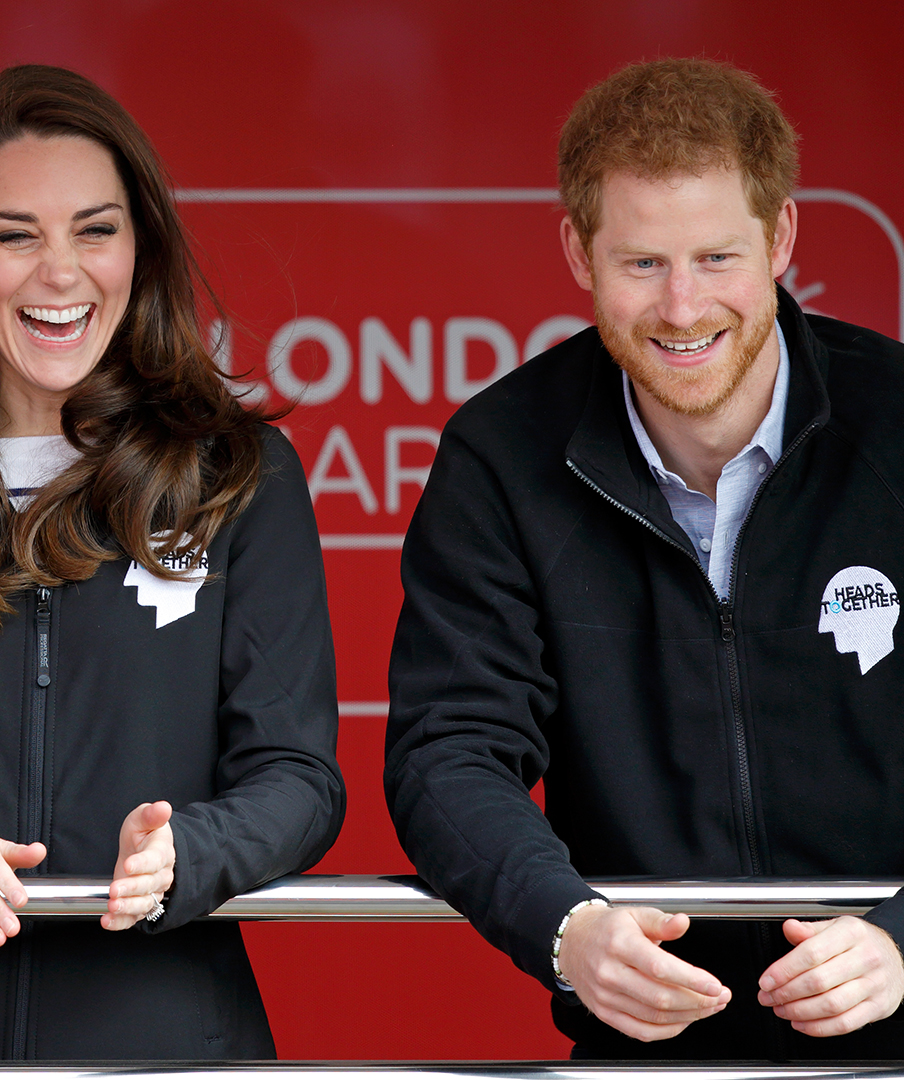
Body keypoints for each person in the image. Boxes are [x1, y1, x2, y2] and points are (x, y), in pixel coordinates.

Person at [385, 57, 904, 1060]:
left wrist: (901, 943)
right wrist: (568, 929)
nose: (681, 308)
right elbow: (449, 751)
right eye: (642, 264)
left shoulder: (898, 424)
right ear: (579, 251)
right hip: (647, 1059)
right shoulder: (500, 456)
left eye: (716, 258)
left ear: (783, 238)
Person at [0, 64, 344, 1060]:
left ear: (139, 251)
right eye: (15, 236)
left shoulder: (236, 473)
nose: (61, 274)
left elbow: (297, 773)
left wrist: (194, 853)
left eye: (96, 231)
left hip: (173, 1043)